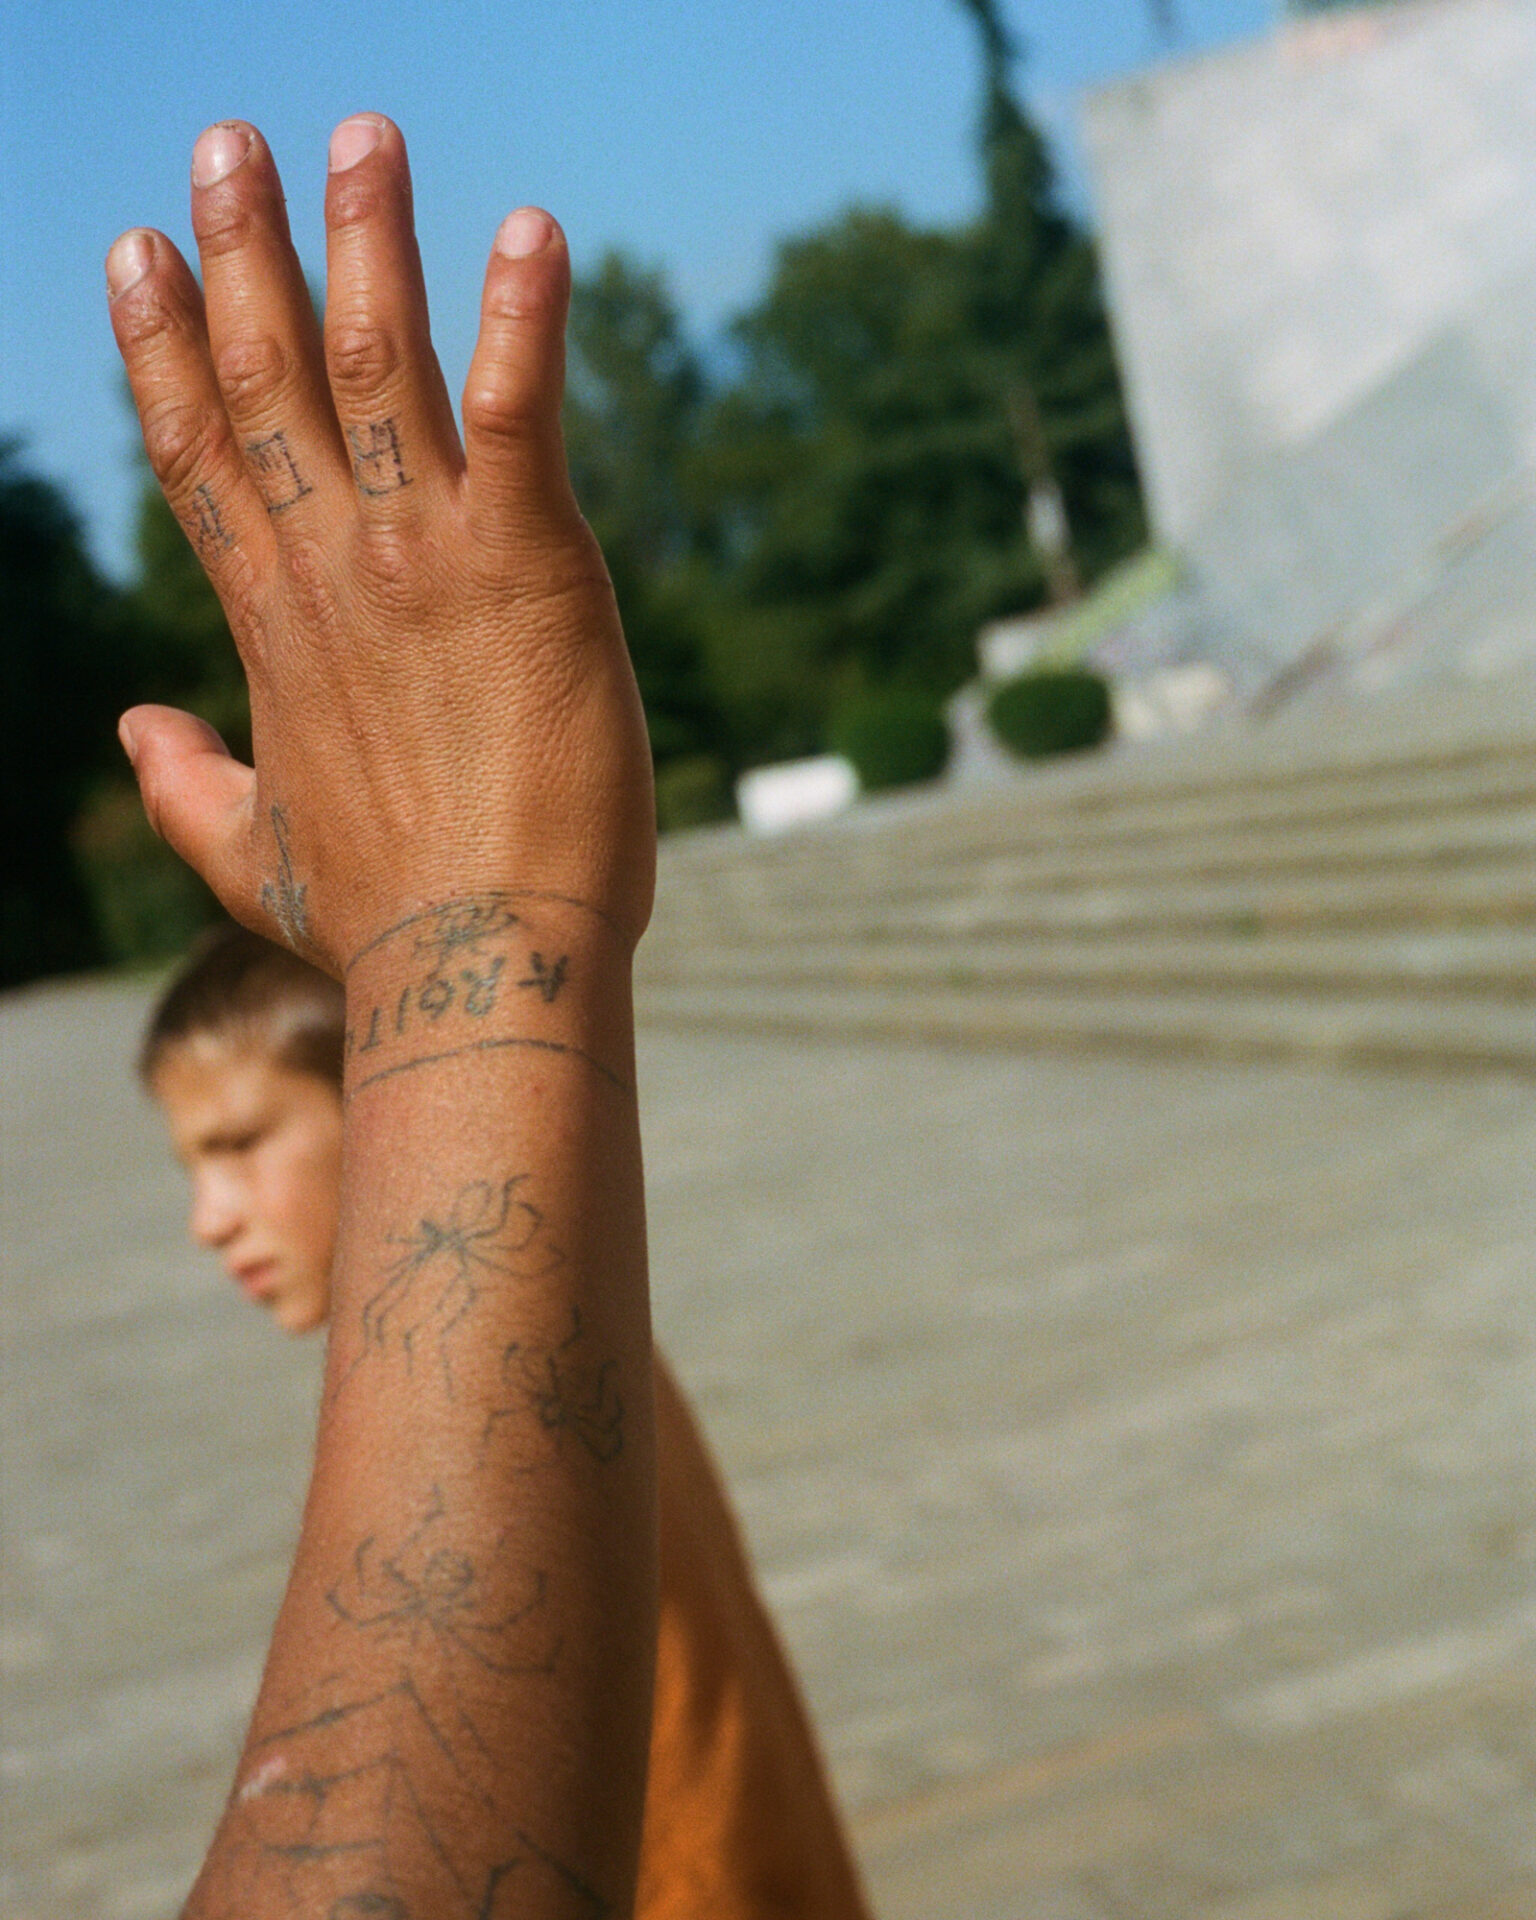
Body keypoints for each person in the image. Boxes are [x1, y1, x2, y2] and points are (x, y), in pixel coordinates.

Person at [102, 110, 806, 1915]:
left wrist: (456, 933)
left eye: (246, 1141)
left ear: (356, 1092)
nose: (212, 1217)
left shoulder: (577, 1372)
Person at [140, 921, 871, 1917]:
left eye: (238, 1144)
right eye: (195, 1166)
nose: (209, 1216)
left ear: (387, 1107)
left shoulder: (480, 1406)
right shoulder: (561, 1318)